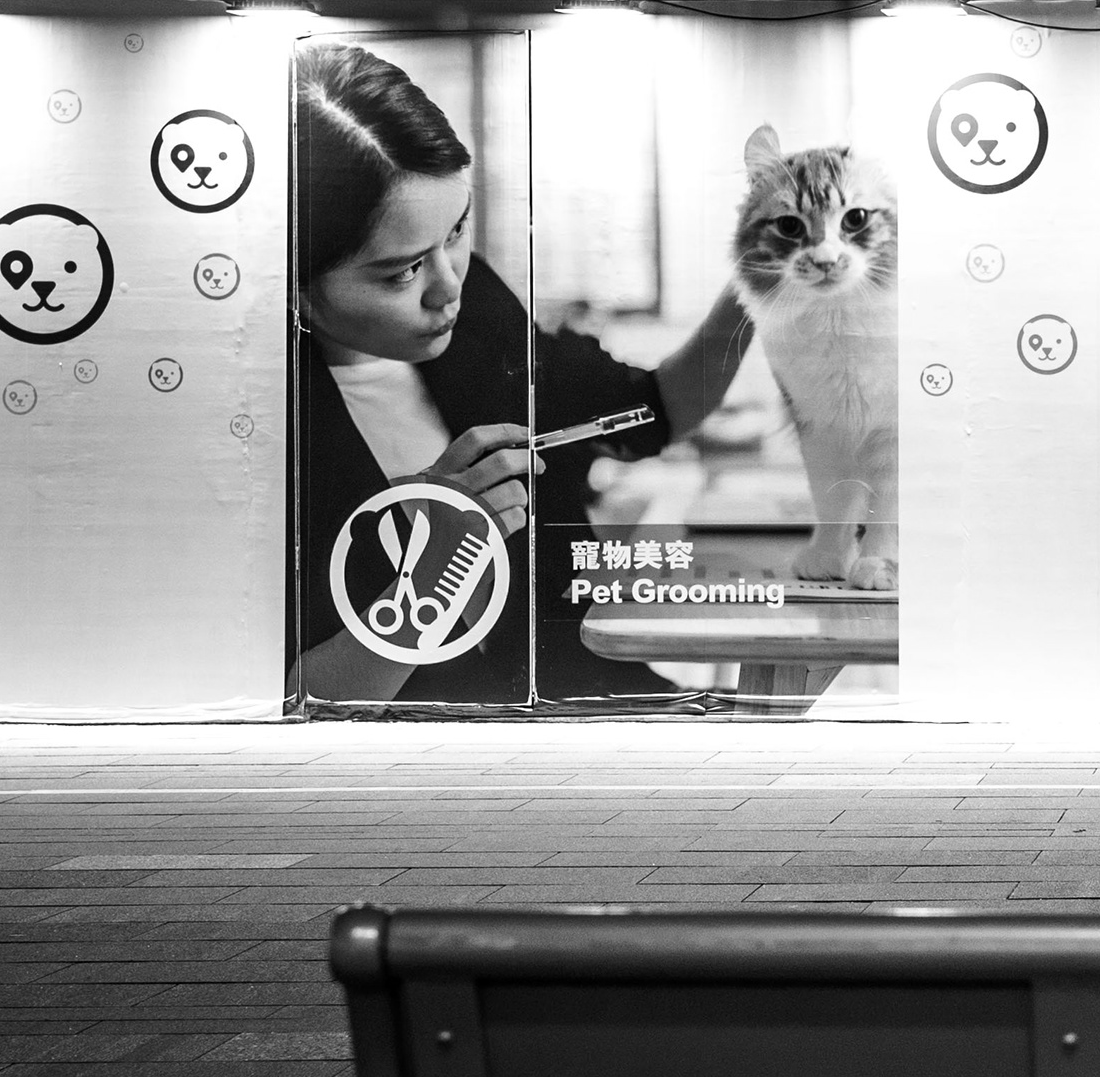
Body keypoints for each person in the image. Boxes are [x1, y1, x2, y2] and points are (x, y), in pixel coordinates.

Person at [289, 42, 756, 707]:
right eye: (403, 271)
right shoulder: (270, 429)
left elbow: (650, 412)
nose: (448, 286)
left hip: (586, 698)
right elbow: (290, 704)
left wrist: (758, 281)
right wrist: (436, 572)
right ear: (297, 284)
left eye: (457, 231)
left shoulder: (474, 310)